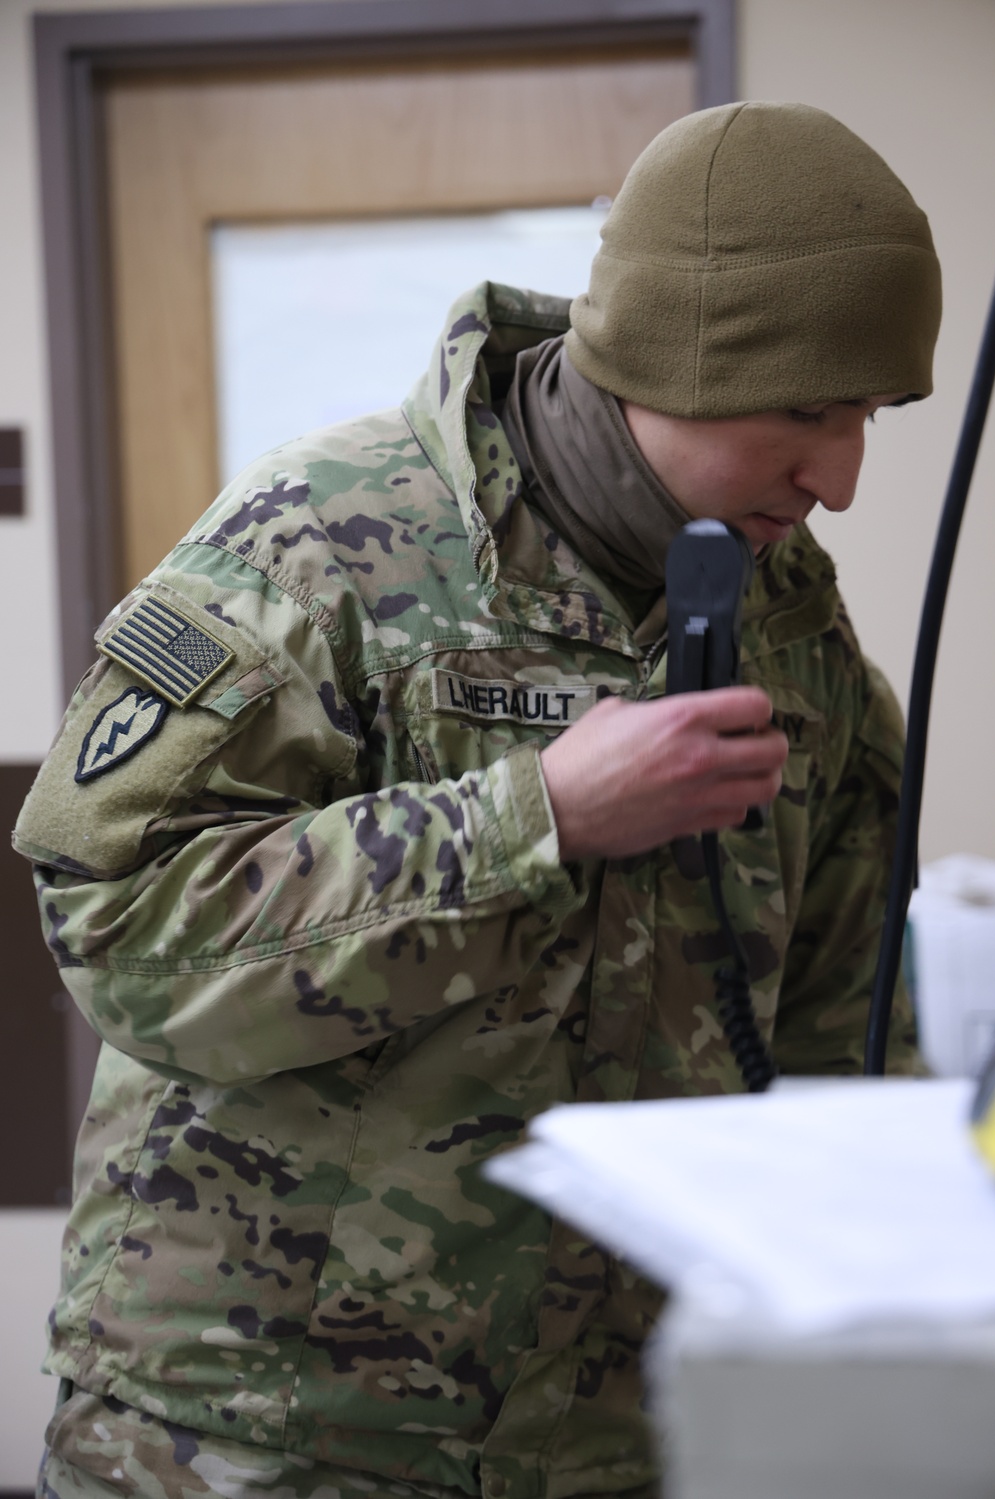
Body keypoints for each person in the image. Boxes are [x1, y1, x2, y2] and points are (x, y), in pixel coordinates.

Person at [18, 101, 940, 1498]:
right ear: (669, 355)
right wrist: (538, 820)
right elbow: (123, 927)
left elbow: (838, 1030)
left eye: (866, 417)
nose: (843, 480)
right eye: (805, 412)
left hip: (620, 1443)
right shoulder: (319, 544)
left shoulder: (791, 624)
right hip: (256, 1435)